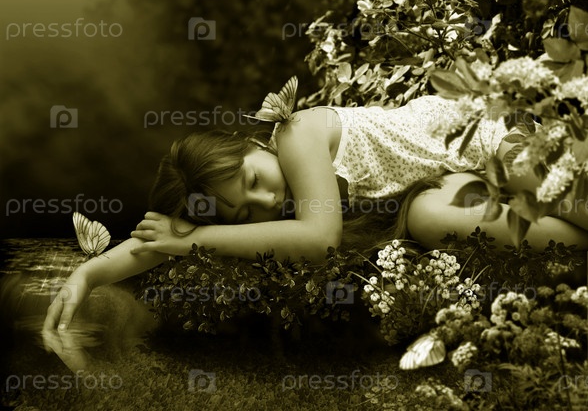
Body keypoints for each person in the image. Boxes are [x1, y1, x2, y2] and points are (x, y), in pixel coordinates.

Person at [43, 95, 588, 337]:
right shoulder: (283, 191)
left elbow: (320, 237)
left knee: (534, 173)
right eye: (245, 212)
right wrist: (89, 274)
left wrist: (193, 240)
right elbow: (164, 233)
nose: (264, 202)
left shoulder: (295, 133)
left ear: (252, 142)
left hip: (487, 136)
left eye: (253, 181)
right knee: (426, 217)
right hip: (451, 181)